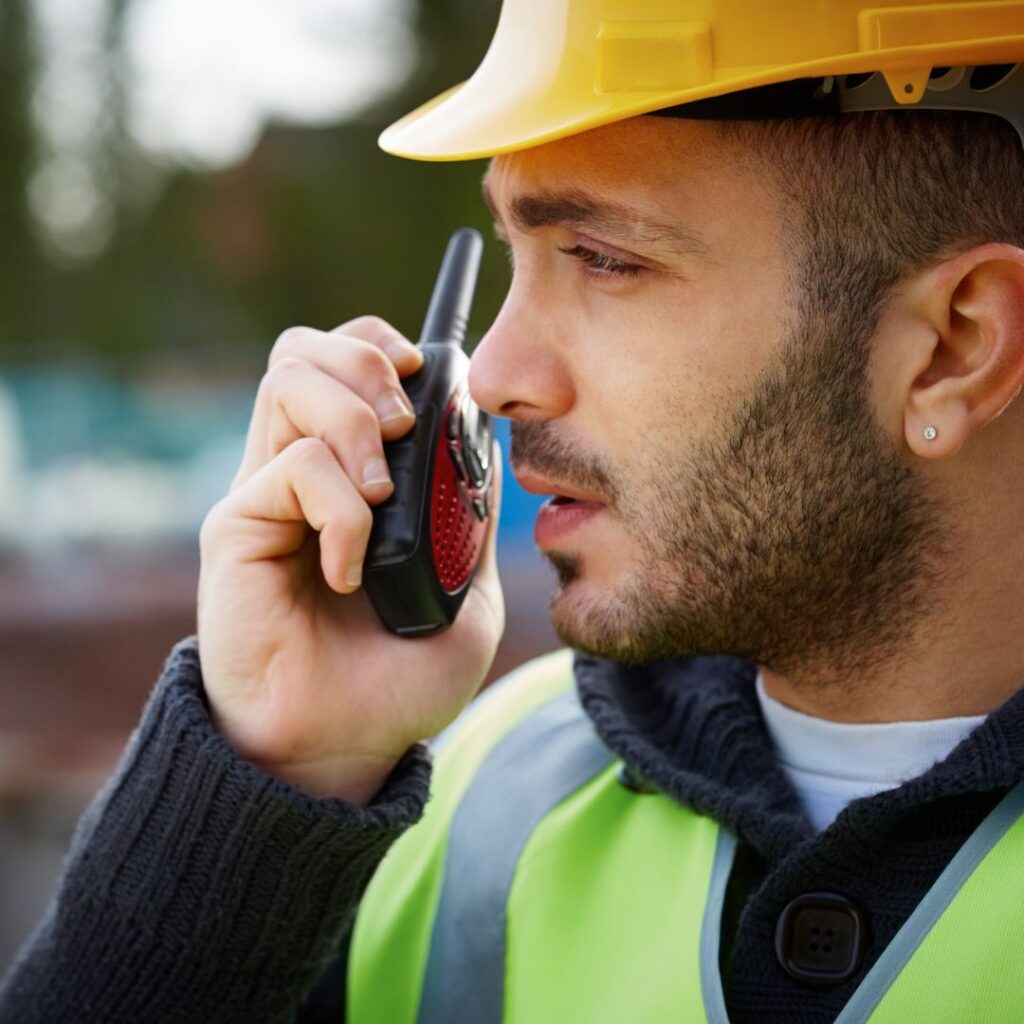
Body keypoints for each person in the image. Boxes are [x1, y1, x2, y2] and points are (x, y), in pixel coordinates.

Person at [3, 1, 1024, 1020]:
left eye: (605, 259)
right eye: (513, 255)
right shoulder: (480, 799)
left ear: (951, 348)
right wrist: (273, 778)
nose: (491, 377)